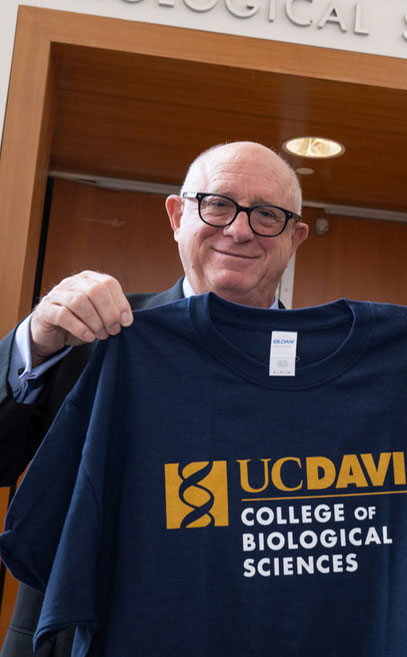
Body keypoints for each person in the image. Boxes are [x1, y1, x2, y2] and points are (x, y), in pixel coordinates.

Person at [0, 141, 309, 656]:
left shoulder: (330, 366)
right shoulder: (93, 333)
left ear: (295, 237)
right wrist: (35, 341)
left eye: (267, 214)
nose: (239, 229)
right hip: (84, 637)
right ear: (176, 214)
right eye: (217, 204)